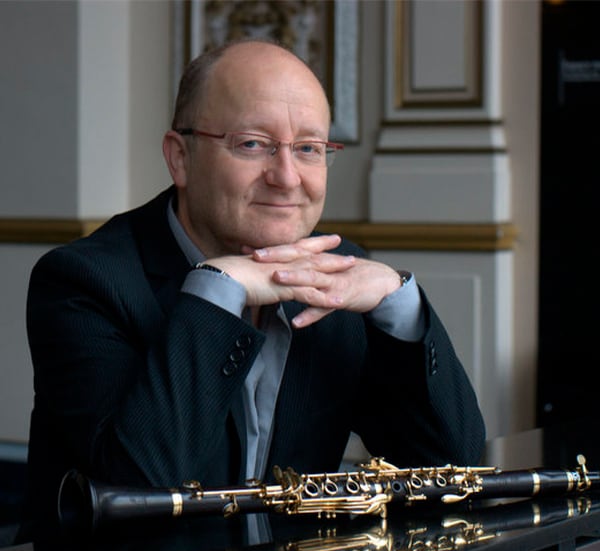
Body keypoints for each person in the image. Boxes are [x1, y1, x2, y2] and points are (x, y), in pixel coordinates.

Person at [25, 39, 486, 522]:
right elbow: (134, 494)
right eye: (251, 144)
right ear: (180, 158)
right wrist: (218, 290)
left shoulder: (337, 279)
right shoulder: (84, 282)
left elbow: (452, 471)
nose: (287, 178)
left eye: (308, 149)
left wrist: (398, 302)